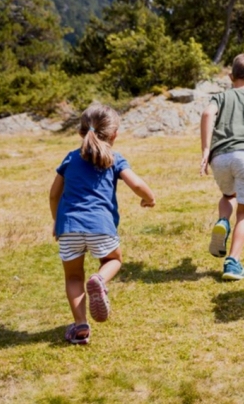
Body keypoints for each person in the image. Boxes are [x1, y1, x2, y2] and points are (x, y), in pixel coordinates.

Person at [50, 104, 155, 345]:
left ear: (81, 131)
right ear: (114, 134)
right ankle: (100, 280)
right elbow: (136, 184)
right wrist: (149, 198)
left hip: (69, 227)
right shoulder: (114, 158)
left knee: (74, 277)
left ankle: (81, 328)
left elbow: (54, 194)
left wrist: (57, 220)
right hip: (101, 226)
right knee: (112, 260)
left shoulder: (70, 157)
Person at [200, 53, 244, 281]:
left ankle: (223, 221)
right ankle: (233, 262)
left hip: (219, 157)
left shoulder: (220, 97)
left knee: (227, 195)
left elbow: (206, 114)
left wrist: (205, 150)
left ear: (231, 76)